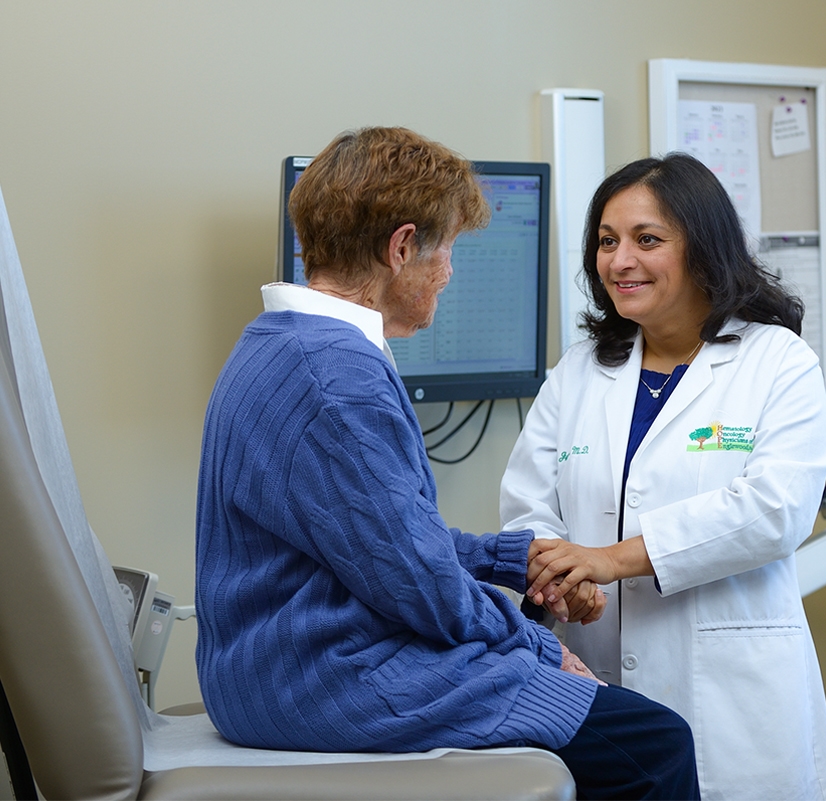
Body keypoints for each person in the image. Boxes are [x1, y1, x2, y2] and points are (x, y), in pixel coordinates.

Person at [194, 127, 699, 800]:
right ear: (402, 247)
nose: (450, 272)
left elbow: (388, 542)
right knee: (655, 744)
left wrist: (511, 559)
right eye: (448, 249)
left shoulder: (279, 343)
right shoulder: (337, 377)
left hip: (271, 672)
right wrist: (542, 647)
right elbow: (418, 582)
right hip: (328, 679)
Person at [500, 152, 826, 800]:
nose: (620, 260)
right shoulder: (579, 371)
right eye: (607, 241)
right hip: (598, 688)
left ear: (704, 250)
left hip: (734, 705)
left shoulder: (777, 361)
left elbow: (774, 510)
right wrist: (562, 579)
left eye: (647, 240)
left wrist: (608, 560)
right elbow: (527, 505)